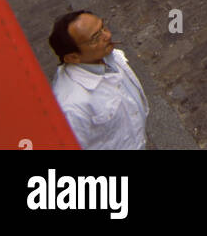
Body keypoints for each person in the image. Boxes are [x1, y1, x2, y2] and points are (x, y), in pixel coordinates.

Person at [49, 11, 149, 149]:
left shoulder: (104, 54)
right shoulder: (71, 107)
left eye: (103, 27)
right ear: (73, 57)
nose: (108, 35)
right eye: (96, 38)